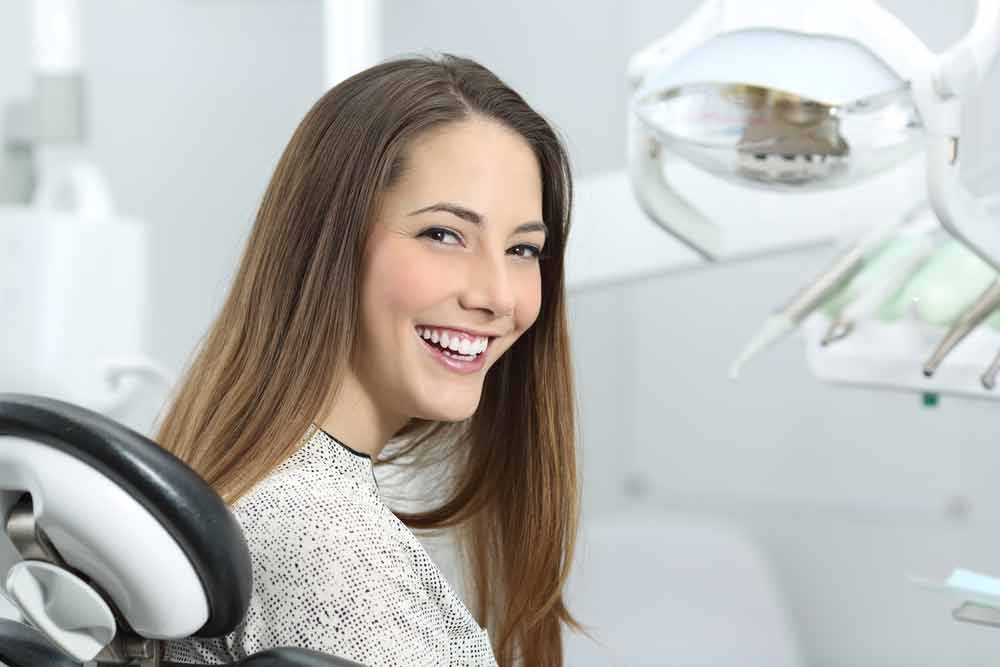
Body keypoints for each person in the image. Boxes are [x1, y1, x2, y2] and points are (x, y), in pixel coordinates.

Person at [158, 53, 580, 667]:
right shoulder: (322, 540)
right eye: (443, 234)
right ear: (328, 243)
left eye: (522, 249)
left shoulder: (274, 492)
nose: (496, 296)